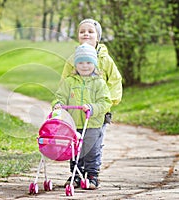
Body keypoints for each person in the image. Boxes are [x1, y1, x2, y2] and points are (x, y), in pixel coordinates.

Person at [61, 18, 123, 188]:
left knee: (94, 145)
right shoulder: (73, 59)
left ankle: (92, 174)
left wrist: (107, 102)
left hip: (97, 111)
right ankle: (75, 174)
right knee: (76, 144)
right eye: (82, 32)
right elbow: (64, 82)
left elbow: (115, 80)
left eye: (90, 31)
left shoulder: (105, 59)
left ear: (98, 37)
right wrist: (62, 102)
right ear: (78, 37)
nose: (86, 34)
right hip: (76, 111)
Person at [52, 43, 112, 189]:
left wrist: (92, 108)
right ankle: (76, 174)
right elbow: (59, 96)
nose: (84, 66)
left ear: (94, 64)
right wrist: (58, 104)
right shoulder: (69, 82)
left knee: (92, 150)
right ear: (75, 65)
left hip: (92, 124)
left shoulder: (99, 83)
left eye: (88, 62)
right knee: (74, 150)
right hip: (73, 124)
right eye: (80, 62)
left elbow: (105, 102)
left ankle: (92, 175)